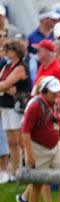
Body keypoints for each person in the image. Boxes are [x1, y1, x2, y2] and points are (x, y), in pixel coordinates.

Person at [0, 38, 29, 182]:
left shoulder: (21, 67)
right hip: (5, 105)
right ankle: (14, 171)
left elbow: (4, 83)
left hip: (17, 108)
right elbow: (4, 84)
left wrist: (5, 86)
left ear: (15, 51)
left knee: (20, 141)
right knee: (11, 141)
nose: (6, 52)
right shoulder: (6, 66)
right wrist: (6, 87)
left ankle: (23, 170)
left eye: (8, 50)